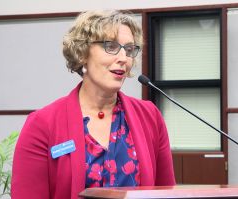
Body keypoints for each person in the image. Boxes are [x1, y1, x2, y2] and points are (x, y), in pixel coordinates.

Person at [12, 10, 175, 199]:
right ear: (82, 53)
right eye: (111, 46)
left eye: (129, 49)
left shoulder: (150, 117)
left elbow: (165, 193)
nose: (123, 58)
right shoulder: (42, 124)